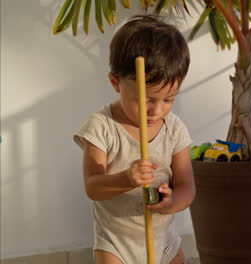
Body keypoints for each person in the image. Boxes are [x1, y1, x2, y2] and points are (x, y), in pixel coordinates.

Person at [73, 15, 194, 264]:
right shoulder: (101, 127)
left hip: (164, 241)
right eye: (146, 99)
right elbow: (93, 187)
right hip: (116, 245)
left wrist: (173, 202)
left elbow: (187, 186)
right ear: (116, 82)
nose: (157, 110)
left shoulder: (174, 130)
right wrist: (126, 179)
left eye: (169, 99)